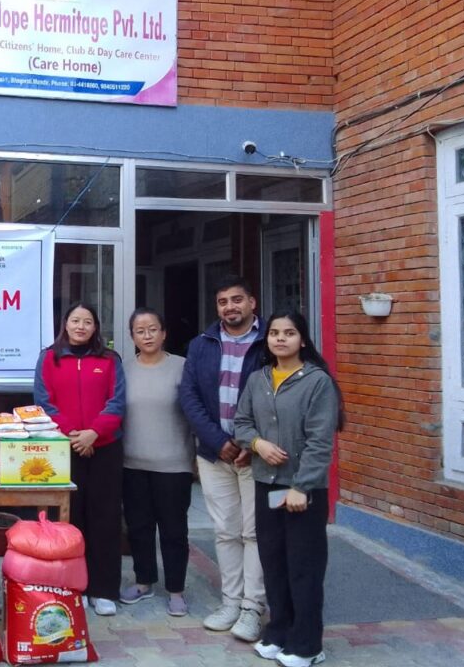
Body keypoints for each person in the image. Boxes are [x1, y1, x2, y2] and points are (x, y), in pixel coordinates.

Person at [234, 311, 341, 667]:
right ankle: (278, 632)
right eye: (274, 333)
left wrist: (302, 486)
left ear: (303, 340)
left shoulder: (317, 382)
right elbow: (242, 423)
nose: (280, 338)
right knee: (274, 562)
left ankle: (307, 645)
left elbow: (320, 442)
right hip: (266, 484)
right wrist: (258, 444)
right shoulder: (258, 379)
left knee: (303, 567)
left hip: (302, 491)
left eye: (289, 333)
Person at [179, 275, 267, 641]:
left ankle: (252, 607)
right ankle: (230, 602)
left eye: (237, 299)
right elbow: (189, 397)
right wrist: (217, 441)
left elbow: (278, 396)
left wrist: (251, 442)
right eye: (223, 301)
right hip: (214, 455)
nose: (230, 307)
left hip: (256, 455)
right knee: (227, 531)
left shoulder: (269, 342)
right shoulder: (202, 344)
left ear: (252, 303)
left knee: (254, 532)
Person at [34, 302, 126, 616]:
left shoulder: (110, 359)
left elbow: (117, 402)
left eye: (87, 321)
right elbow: (44, 402)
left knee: (105, 518)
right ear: (66, 324)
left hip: (105, 447)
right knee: (69, 519)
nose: (81, 327)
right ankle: (74, 587)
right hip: (65, 447)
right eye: (76, 320)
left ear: (95, 327)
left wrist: (93, 434)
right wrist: (74, 434)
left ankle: (104, 590)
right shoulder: (49, 357)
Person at [120, 308, 195, 617]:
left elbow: (196, 410)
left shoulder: (182, 367)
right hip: (131, 464)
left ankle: (176, 590)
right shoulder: (124, 369)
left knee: (173, 530)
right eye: (140, 331)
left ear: (164, 333)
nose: (147, 335)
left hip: (173, 465)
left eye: (153, 329)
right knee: (138, 527)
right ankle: (143, 581)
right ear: (132, 336)